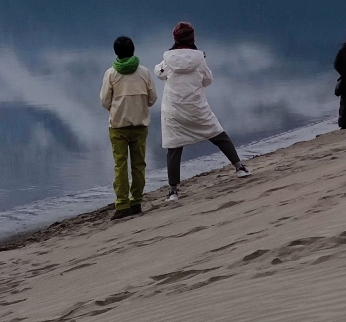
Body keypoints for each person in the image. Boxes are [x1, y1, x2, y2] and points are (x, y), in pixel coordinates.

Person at [155, 21, 249, 202]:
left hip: (173, 109)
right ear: (192, 38)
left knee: (174, 148)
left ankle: (173, 191)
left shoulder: (167, 60)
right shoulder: (200, 59)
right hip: (197, 107)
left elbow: (159, 73)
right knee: (218, 135)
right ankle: (239, 168)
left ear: (175, 38)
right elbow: (208, 80)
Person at [100, 34, 157, 219]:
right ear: (133, 50)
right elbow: (152, 98)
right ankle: (137, 202)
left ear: (116, 53)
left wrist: (116, 109)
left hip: (118, 126)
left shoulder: (111, 74)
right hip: (140, 125)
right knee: (139, 165)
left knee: (120, 165)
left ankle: (122, 204)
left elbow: (104, 101)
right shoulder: (144, 72)